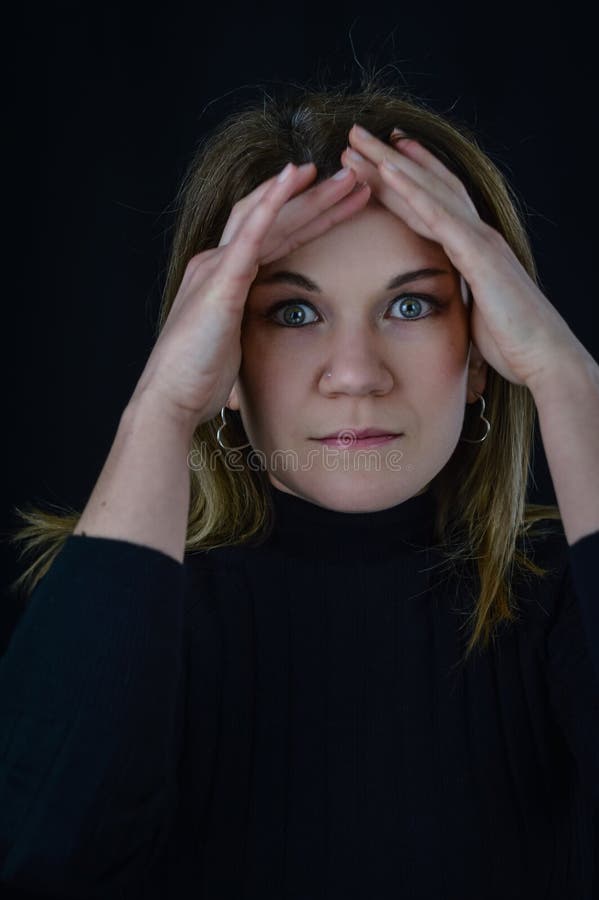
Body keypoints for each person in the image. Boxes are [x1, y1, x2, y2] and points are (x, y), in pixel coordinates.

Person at [1, 77, 598, 899]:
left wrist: (567, 377)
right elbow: (38, 863)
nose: (355, 375)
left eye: (412, 304)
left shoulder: (564, 600)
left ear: (486, 353)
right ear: (223, 361)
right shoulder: (113, 614)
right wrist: (163, 408)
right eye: (292, 314)